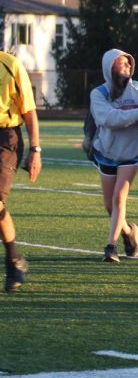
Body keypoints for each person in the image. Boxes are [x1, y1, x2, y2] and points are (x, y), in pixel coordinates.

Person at [91, 49, 138, 262]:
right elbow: (108, 118)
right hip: (107, 151)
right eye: (121, 64)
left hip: (132, 151)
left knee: (119, 198)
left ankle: (111, 247)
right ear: (110, 68)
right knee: (109, 205)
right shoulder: (99, 93)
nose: (127, 68)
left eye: (128, 64)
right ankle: (128, 232)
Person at [0, 50, 41, 291]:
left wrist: (36, 150)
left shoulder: (10, 64)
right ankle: (14, 260)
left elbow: (29, 111)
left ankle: (13, 262)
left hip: (6, 138)